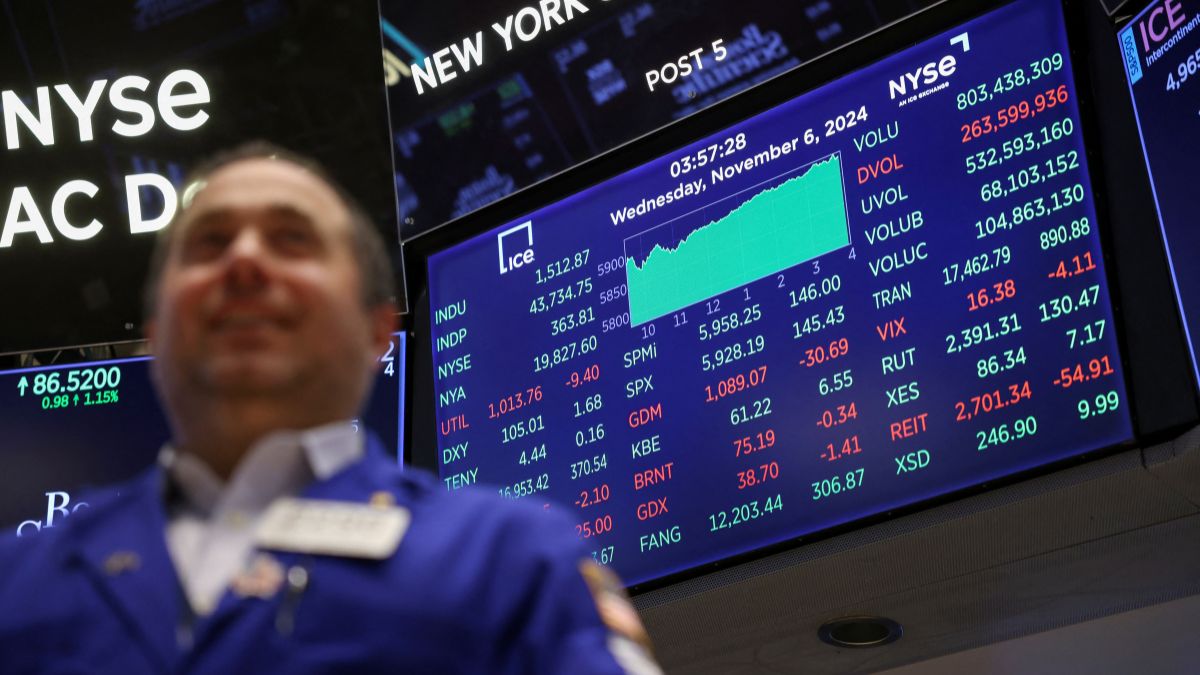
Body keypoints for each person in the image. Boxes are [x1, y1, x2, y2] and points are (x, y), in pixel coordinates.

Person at [0, 143, 662, 674]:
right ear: (154, 332)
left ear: (378, 331)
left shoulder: (509, 561)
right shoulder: (19, 581)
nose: (245, 261)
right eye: (209, 243)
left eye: (293, 239)